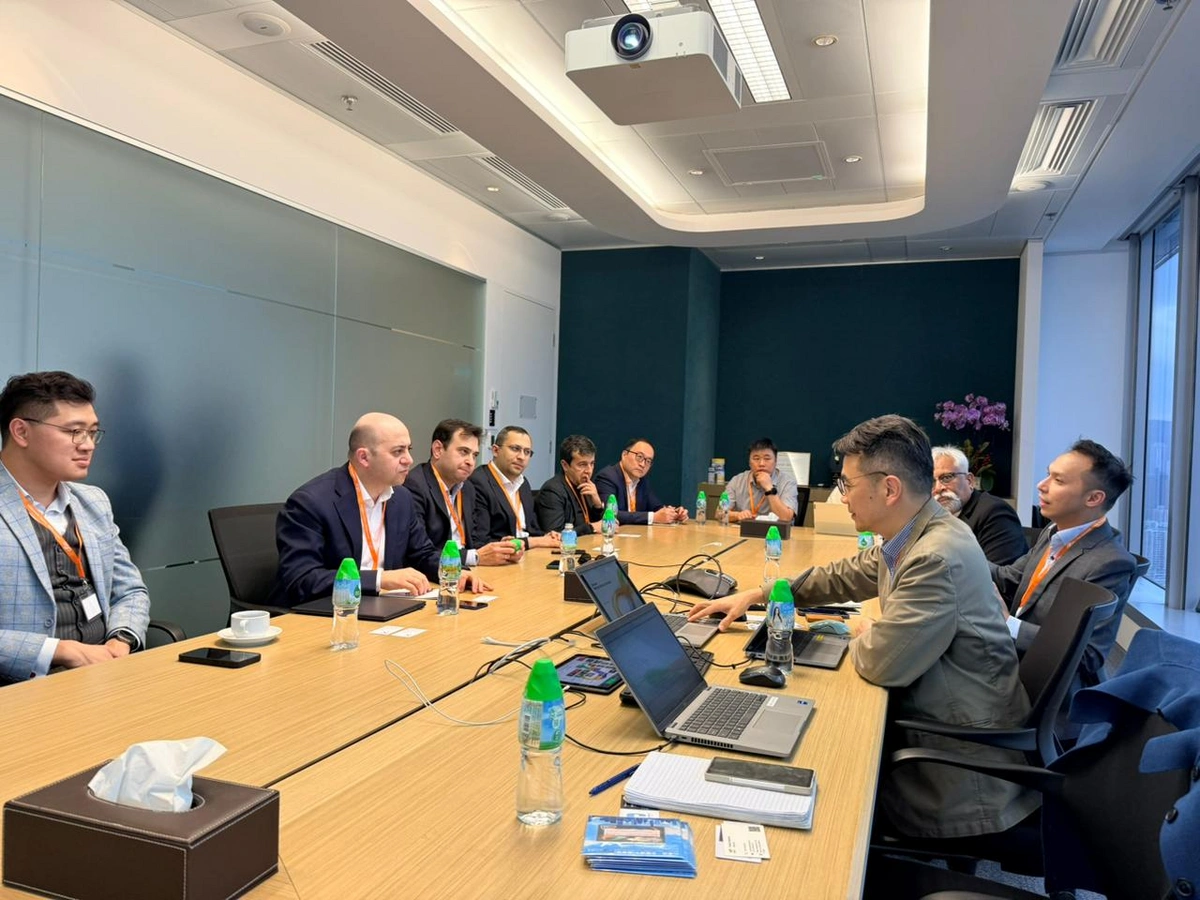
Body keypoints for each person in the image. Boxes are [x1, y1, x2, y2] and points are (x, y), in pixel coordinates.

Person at [688, 415, 1037, 840]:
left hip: (955, 774)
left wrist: (864, 629)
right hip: (942, 728)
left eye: (847, 484)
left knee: (806, 768)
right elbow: (845, 575)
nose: (842, 496)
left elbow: (880, 663)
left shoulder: (934, 556)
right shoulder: (919, 531)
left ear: (889, 489)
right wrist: (760, 594)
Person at [0, 371, 149, 684]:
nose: (88, 445)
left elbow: (130, 591)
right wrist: (58, 650)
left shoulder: (93, 502)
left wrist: (121, 639)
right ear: (21, 432)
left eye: (92, 432)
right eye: (74, 432)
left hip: (105, 673)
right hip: (22, 689)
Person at [269, 413, 489, 608]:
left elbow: (422, 554)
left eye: (409, 449)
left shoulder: (401, 498)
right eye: (398, 451)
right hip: (326, 614)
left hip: (383, 607)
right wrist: (378, 579)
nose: (409, 460)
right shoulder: (312, 502)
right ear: (364, 457)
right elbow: (301, 579)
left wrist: (454, 571)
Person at [991, 439, 1136, 696]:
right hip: (1008, 659)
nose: (1041, 485)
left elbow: (1088, 654)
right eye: (1048, 474)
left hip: (1041, 689)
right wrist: (960, 552)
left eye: (1058, 480)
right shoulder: (1055, 532)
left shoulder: (1111, 562)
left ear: (1094, 498)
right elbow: (1010, 578)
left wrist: (1008, 624)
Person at [403, 419, 521, 567]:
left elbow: (476, 541)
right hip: (436, 574)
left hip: (466, 570)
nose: (470, 462)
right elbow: (420, 552)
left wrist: (502, 549)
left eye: (474, 455)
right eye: (464, 452)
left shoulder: (468, 488)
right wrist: (475, 557)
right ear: (438, 450)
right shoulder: (415, 485)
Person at [931, 445, 1027, 565]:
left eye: (946, 478)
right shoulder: (931, 514)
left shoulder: (994, 512)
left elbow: (999, 572)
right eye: (931, 482)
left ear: (970, 481)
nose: (938, 488)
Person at [470, 425, 561, 549]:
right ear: (495, 450)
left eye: (527, 452)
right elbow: (481, 542)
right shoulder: (478, 482)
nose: (521, 457)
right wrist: (535, 542)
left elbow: (532, 530)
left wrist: (546, 537)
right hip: (501, 557)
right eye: (515, 449)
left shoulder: (523, 483)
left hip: (528, 554)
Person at [593, 438, 687, 525]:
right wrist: (653, 517)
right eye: (639, 457)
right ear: (624, 455)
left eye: (648, 461)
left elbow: (656, 507)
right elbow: (610, 514)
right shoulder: (607, 477)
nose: (642, 464)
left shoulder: (642, 481)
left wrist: (674, 513)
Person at [535, 434, 609, 535]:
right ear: (565, 465)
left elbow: (599, 525)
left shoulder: (587, 486)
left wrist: (598, 505)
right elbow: (555, 534)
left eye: (592, 464)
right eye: (582, 464)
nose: (589, 470)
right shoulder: (552, 491)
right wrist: (591, 528)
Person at [725, 438, 800, 523]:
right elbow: (720, 513)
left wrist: (769, 488)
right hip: (744, 529)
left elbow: (786, 518)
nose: (761, 464)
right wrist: (737, 515)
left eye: (767, 459)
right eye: (756, 459)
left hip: (775, 530)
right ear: (749, 463)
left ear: (775, 461)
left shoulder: (788, 482)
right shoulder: (736, 481)